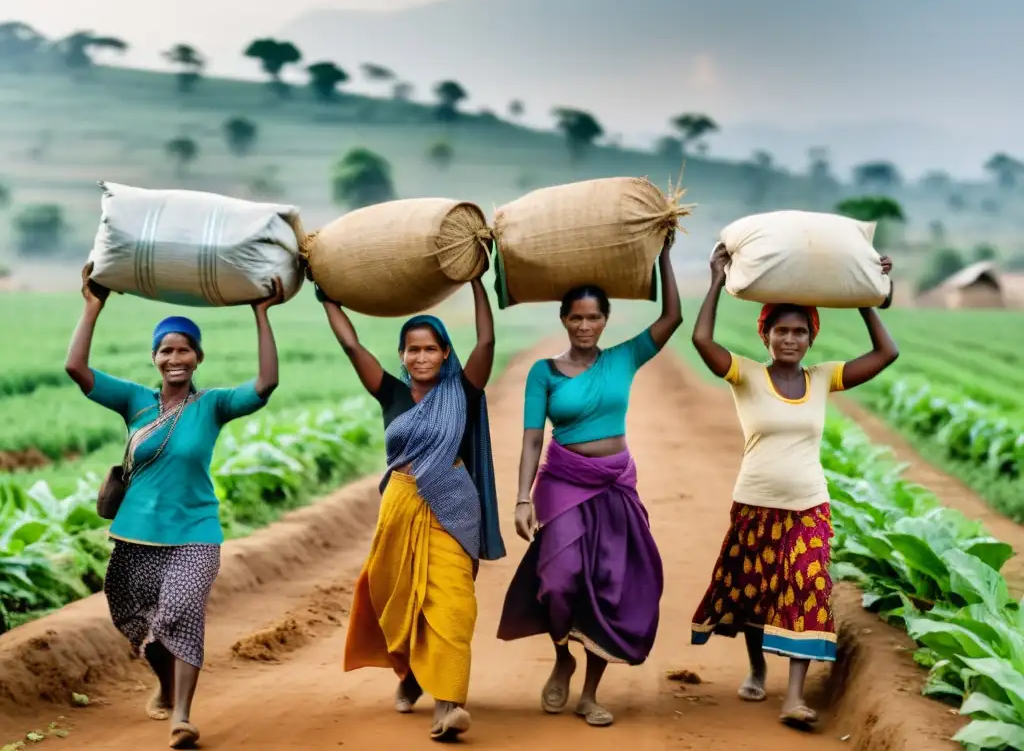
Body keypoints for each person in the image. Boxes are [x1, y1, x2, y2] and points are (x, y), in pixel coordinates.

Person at [64, 264, 284, 749]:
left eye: (184, 349)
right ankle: (164, 686)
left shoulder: (214, 405)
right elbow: (76, 370)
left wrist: (260, 313)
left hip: (195, 533)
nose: (175, 358)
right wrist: (93, 305)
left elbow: (265, 383)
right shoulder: (134, 402)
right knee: (142, 624)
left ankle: (182, 716)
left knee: (180, 612)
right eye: (166, 350)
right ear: (154, 358)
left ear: (198, 357)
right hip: (136, 534)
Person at [689, 245, 899, 730]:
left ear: (810, 338)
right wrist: (717, 280)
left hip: (808, 506)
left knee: (806, 584)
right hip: (754, 504)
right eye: (781, 330)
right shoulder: (746, 375)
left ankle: (794, 697)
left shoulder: (823, 379)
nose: (790, 339)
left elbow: (887, 353)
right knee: (753, 593)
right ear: (766, 335)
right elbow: (702, 339)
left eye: (799, 331)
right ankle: (759, 666)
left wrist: (867, 294)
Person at [497, 238, 682, 728]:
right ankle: (563, 655)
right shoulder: (545, 373)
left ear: (606, 319)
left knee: (609, 583)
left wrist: (664, 256)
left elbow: (672, 319)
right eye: (576, 318)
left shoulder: (623, 358)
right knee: (559, 582)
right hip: (561, 481)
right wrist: (520, 497)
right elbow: (532, 439)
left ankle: (591, 692)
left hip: (616, 482)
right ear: (564, 319)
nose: (584, 326)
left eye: (593, 318)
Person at [318, 275, 505, 742]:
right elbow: (351, 346)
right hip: (400, 506)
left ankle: (449, 705)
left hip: (453, 509)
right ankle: (410, 674)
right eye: (412, 349)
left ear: (445, 353)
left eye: (430, 349)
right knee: (398, 600)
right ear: (402, 355)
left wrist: (477, 281)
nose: (421, 357)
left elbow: (486, 339)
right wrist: (329, 297)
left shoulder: (463, 389)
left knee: (453, 604)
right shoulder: (391, 394)